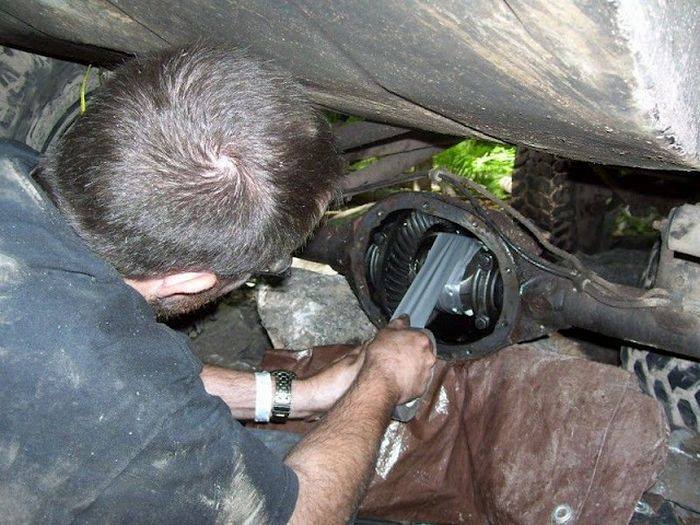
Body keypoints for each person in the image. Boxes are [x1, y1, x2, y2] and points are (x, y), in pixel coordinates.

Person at [0, 44, 435, 524]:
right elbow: (302, 516)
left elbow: (141, 381)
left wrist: (306, 395)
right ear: (188, 281)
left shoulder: (12, 167)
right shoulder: (118, 397)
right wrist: (383, 379)